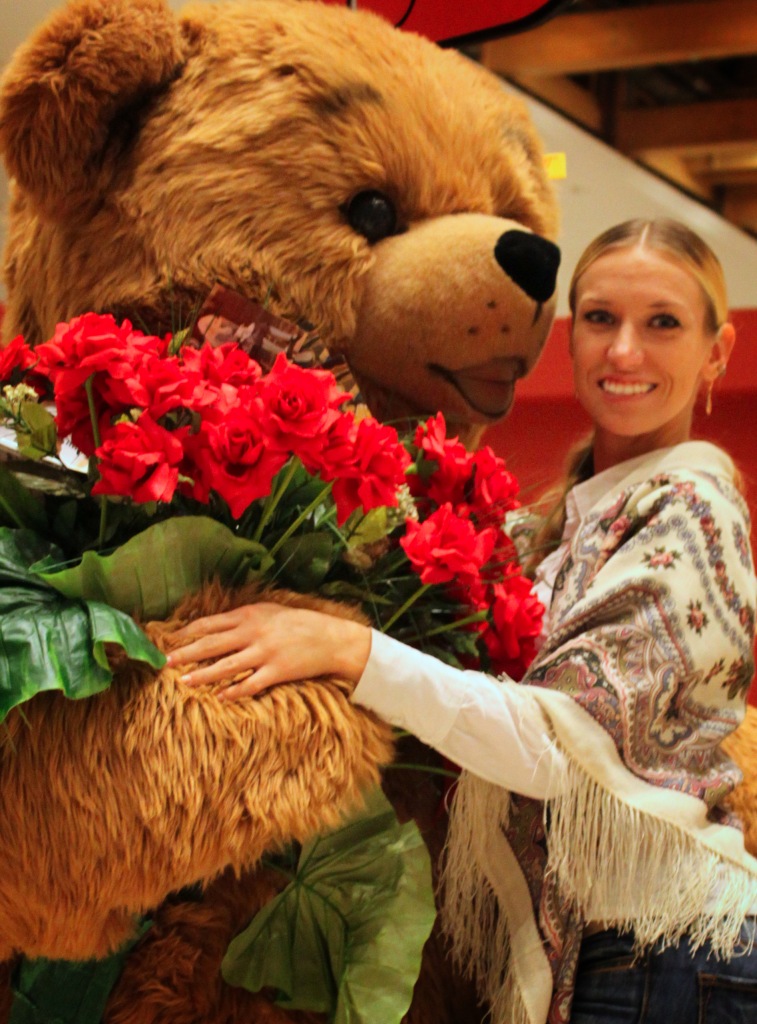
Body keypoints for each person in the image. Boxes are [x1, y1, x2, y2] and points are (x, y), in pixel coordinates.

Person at [167, 218, 757, 1023]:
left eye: (661, 322)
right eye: (599, 318)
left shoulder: (689, 511)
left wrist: (345, 648)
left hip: (669, 957)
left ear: (716, 352)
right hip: (626, 957)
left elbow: (557, 748)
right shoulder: (566, 525)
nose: (623, 351)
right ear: (567, 335)